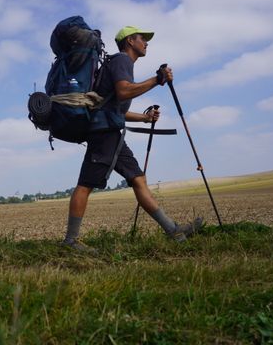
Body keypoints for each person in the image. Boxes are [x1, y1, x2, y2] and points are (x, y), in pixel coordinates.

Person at [62, 26, 203, 253]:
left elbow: (115, 107)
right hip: (104, 134)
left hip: (111, 131)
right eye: (143, 39)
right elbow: (124, 92)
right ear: (130, 41)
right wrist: (157, 79)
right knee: (86, 184)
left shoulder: (119, 64)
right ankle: (70, 241)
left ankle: (173, 231)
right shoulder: (121, 61)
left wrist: (145, 119)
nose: (146, 43)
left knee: (138, 180)